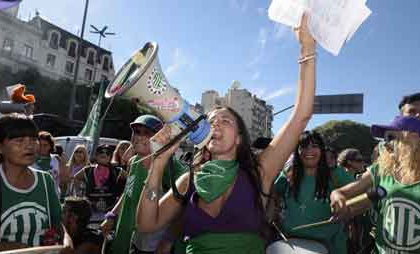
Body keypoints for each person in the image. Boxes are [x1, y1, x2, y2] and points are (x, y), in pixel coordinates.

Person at [135, 14, 316, 254]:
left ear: (240, 137)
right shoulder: (189, 180)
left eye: (225, 120)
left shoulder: (258, 172)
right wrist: (157, 166)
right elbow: (147, 224)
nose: (216, 124)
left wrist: (307, 49)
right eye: (211, 121)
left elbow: (301, 114)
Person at [0, 114, 72, 252]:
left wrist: (66, 240)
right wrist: (9, 248)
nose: (29, 146)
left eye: (33, 139)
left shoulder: (45, 180)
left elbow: (57, 224)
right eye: (19, 140)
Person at [331, 115, 420, 254]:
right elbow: (340, 193)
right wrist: (338, 199)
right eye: (384, 139)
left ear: (413, 139)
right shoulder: (381, 170)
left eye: (391, 138)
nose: (385, 144)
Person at [102, 114, 187, 254]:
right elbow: (127, 192)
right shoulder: (134, 161)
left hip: (151, 246)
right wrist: (111, 216)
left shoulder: (172, 167)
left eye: (147, 133)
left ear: (160, 137)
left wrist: (168, 240)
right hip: (127, 238)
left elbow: (184, 209)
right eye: (136, 131)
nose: (139, 137)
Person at [272, 131, 354, 254]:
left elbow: (362, 194)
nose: (309, 151)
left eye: (315, 146)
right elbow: (274, 195)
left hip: (329, 247)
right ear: (297, 151)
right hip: (290, 244)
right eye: (304, 146)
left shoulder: (336, 174)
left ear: (322, 150)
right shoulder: (288, 174)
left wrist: (347, 209)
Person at [73, 144, 119, 223]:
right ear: (96, 156)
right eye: (101, 152)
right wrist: (79, 195)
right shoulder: (88, 170)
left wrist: (121, 195)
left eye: (107, 153)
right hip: (92, 211)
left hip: (110, 212)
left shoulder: (116, 170)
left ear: (110, 157)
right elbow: (76, 178)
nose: (104, 154)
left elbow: (129, 179)